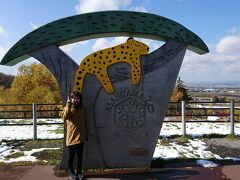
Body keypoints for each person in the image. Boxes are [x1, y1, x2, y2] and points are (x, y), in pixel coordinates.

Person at [62, 91, 89, 180]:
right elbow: (65, 117)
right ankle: (71, 172)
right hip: (72, 136)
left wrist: (87, 133)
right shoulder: (67, 108)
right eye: (73, 98)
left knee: (80, 156)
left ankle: (79, 172)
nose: (75, 100)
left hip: (81, 136)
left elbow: (86, 121)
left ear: (80, 99)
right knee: (71, 156)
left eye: (77, 98)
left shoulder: (82, 108)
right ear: (71, 99)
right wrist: (68, 105)